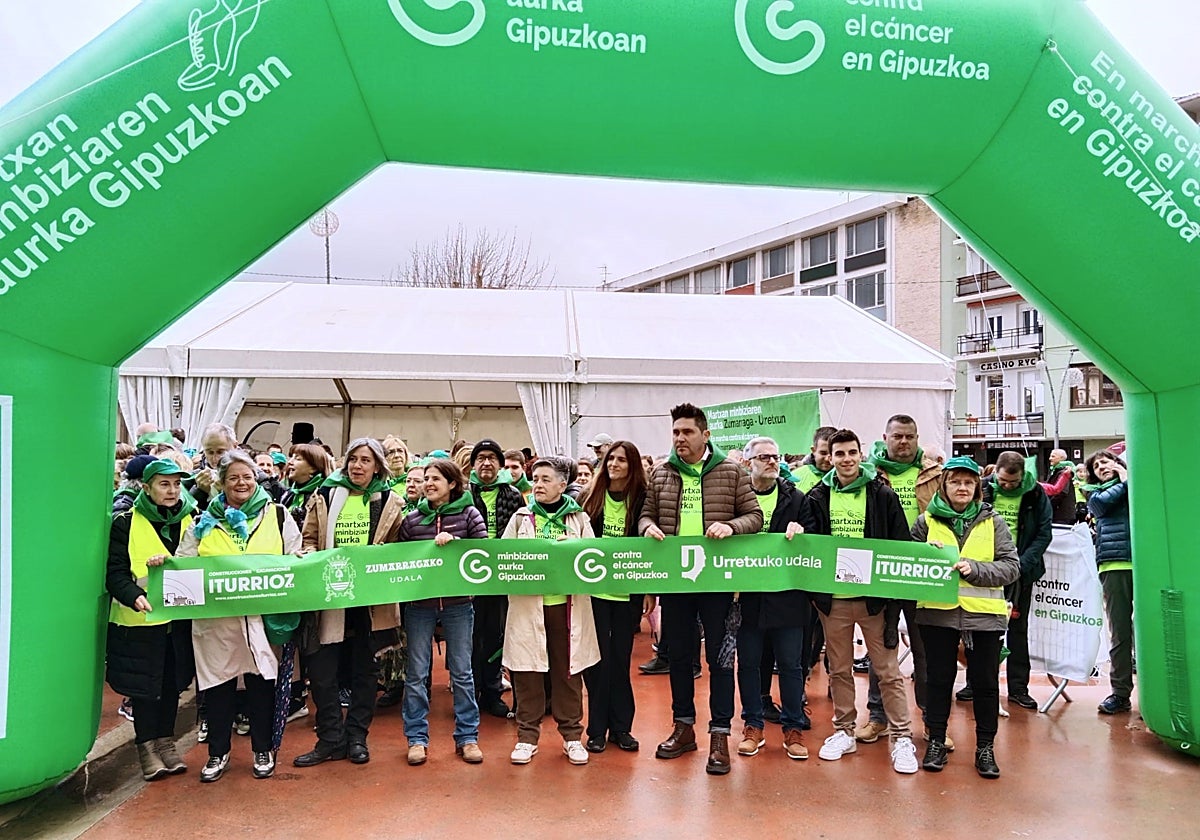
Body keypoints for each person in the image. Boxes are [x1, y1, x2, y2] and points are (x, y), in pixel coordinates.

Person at [641, 403, 762, 776]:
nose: (680, 438)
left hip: (717, 583)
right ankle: (684, 726)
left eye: (687, 432)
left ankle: (720, 734)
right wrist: (647, 527)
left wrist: (732, 527)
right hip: (676, 582)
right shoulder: (661, 474)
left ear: (705, 435)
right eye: (675, 432)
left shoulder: (732, 472)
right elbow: (646, 513)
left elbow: (755, 516)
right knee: (678, 656)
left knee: (721, 660)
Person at [176, 451, 302, 782]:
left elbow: (295, 557)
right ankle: (218, 753)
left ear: (256, 479)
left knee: (262, 683)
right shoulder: (202, 521)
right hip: (216, 621)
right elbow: (184, 562)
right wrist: (166, 566)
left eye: (246, 476)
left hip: (262, 618)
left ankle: (262, 748)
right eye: (233, 478)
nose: (241, 483)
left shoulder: (277, 516)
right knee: (218, 686)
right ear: (221, 483)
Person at [807, 429, 918, 774]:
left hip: (874, 601)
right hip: (834, 601)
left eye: (852, 452)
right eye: (839, 454)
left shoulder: (881, 495)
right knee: (839, 670)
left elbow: (900, 543)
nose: (846, 459)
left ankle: (901, 737)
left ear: (861, 454)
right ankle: (844, 731)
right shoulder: (817, 496)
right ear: (829, 457)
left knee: (887, 671)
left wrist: (894, 600)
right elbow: (808, 542)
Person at [294, 438, 402, 768]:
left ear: (377, 466)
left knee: (364, 672)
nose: (357, 465)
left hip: (369, 601)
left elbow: (399, 546)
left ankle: (356, 736)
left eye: (365, 460)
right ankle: (329, 738)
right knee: (324, 672)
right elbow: (310, 537)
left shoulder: (390, 500)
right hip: (330, 598)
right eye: (353, 459)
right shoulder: (326, 494)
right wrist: (308, 553)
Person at [912, 457, 1020, 778]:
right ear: (944, 485)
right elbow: (908, 565)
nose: (962, 487)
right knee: (938, 681)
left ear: (977, 488)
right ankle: (936, 741)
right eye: (956, 481)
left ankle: (985, 748)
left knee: (985, 684)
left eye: (969, 483)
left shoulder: (994, 522)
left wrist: (977, 571)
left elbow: (1011, 567)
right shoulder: (924, 522)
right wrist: (924, 556)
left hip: (983, 617)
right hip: (937, 614)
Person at [502, 458, 600, 766]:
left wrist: (572, 546)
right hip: (528, 609)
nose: (539, 485)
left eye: (546, 479)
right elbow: (503, 558)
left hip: (566, 609)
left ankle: (572, 736)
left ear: (562, 484)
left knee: (568, 673)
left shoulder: (579, 518)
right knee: (527, 673)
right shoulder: (521, 517)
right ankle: (526, 737)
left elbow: (593, 557)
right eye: (535, 479)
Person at [106, 458, 198, 781]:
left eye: (176, 484)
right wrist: (133, 595)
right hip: (139, 623)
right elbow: (114, 574)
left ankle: (166, 742)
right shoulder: (124, 523)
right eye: (164, 484)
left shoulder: (192, 520)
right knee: (146, 690)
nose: (172, 491)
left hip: (179, 625)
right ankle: (146, 747)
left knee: (172, 684)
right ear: (146, 487)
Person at [393, 458, 487, 765]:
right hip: (420, 608)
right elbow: (401, 559)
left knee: (462, 673)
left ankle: (468, 737)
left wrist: (457, 545)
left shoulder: (470, 514)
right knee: (417, 674)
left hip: (459, 606)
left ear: (452, 484)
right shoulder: (411, 520)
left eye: (436, 479)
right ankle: (416, 738)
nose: (428, 484)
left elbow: (484, 554)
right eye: (425, 479)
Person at [861, 414, 942, 748]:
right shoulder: (869, 475)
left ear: (917, 437)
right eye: (897, 436)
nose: (904, 442)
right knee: (881, 648)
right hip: (884, 571)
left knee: (927, 651)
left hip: (923, 572)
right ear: (886, 437)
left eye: (909, 436)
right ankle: (878, 718)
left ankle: (933, 722)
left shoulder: (936, 474)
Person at [735, 436, 816, 762]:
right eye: (763, 457)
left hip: (788, 597)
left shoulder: (797, 499)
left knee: (791, 666)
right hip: (748, 596)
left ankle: (793, 727)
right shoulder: (737, 500)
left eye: (775, 456)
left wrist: (803, 533)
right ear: (747, 462)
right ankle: (753, 725)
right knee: (750, 664)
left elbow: (814, 542)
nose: (771, 461)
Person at [579, 440, 647, 753]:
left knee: (620, 661)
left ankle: (621, 728)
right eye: (610, 459)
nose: (614, 464)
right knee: (597, 663)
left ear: (632, 466)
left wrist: (648, 591)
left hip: (627, 592)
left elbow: (651, 549)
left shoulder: (643, 499)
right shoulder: (589, 497)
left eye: (621, 460)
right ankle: (596, 730)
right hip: (593, 592)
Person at [981, 451, 1052, 710]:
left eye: (1013, 482)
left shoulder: (1035, 493)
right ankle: (976, 683)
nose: (1007, 486)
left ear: (1022, 476)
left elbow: (1044, 533)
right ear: (995, 473)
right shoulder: (984, 488)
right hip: (985, 570)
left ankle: (1018, 688)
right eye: (1003, 481)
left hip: (1021, 571)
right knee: (979, 629)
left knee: (1018, 631)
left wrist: (1021, 565)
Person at [469, 439, 525, 719]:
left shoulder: (513, 495)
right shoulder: (464, 494)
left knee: (494, 635)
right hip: (469, 577)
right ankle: (470, 694)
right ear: (473, 464)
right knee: (470, 637)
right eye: (481, 458)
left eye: (492, 458)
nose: (486, 463)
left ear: (501, 464)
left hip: (502, 576)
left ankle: (492, 691)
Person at [1085, 450, 1133, 715]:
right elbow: (1100, 507)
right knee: (1120, 632)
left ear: (1117, 463)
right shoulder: (1095, 494)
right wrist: (1126, 481)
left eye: (1106, 461)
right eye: (1096, 465)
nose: (1102, 466)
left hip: (1147, 564)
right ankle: (1120, 693)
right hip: (1114, 565)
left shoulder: (1137, 483)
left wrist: (1128, 480)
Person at [281, 443, 334, 529]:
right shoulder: (288, 494)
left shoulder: (324, 496)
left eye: (297, 459)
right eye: (291, 457)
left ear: (313, 468)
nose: (290, 462)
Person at [192, 423, 238, 509]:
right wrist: (199, 491)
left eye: (221, 452)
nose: (215, 458)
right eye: (210, 452)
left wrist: (228, 494)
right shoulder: (195, 476)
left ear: (234, 446)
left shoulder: (252, 474)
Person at [1040, 448, 1079, 525]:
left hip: (1062, 514)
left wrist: (1049, 504)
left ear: (1061, 458)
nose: (1050, 458)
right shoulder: (1055, 471)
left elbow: (1062, 492)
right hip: (1059, 513)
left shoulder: (1065, 472)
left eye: (1053, 456)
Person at [793, 426, 836, 493]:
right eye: (823, 453)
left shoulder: (849, 478)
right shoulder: (794, 478)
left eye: (832, 453)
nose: (827, 459)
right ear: (813, 450)